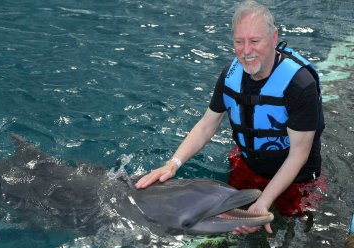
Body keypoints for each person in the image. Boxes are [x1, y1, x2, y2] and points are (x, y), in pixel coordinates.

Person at [135, 0, 325, 235]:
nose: (246, 51)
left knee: (291, 233)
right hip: (248, 166)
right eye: (239, 42)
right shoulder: (230, 76)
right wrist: (172, 164)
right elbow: (207, 125)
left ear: (274, 38)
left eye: (255, 41)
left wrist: (264, 202)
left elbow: (299, 155)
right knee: (234, 230)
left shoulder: (299, 85)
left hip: (297, 179)